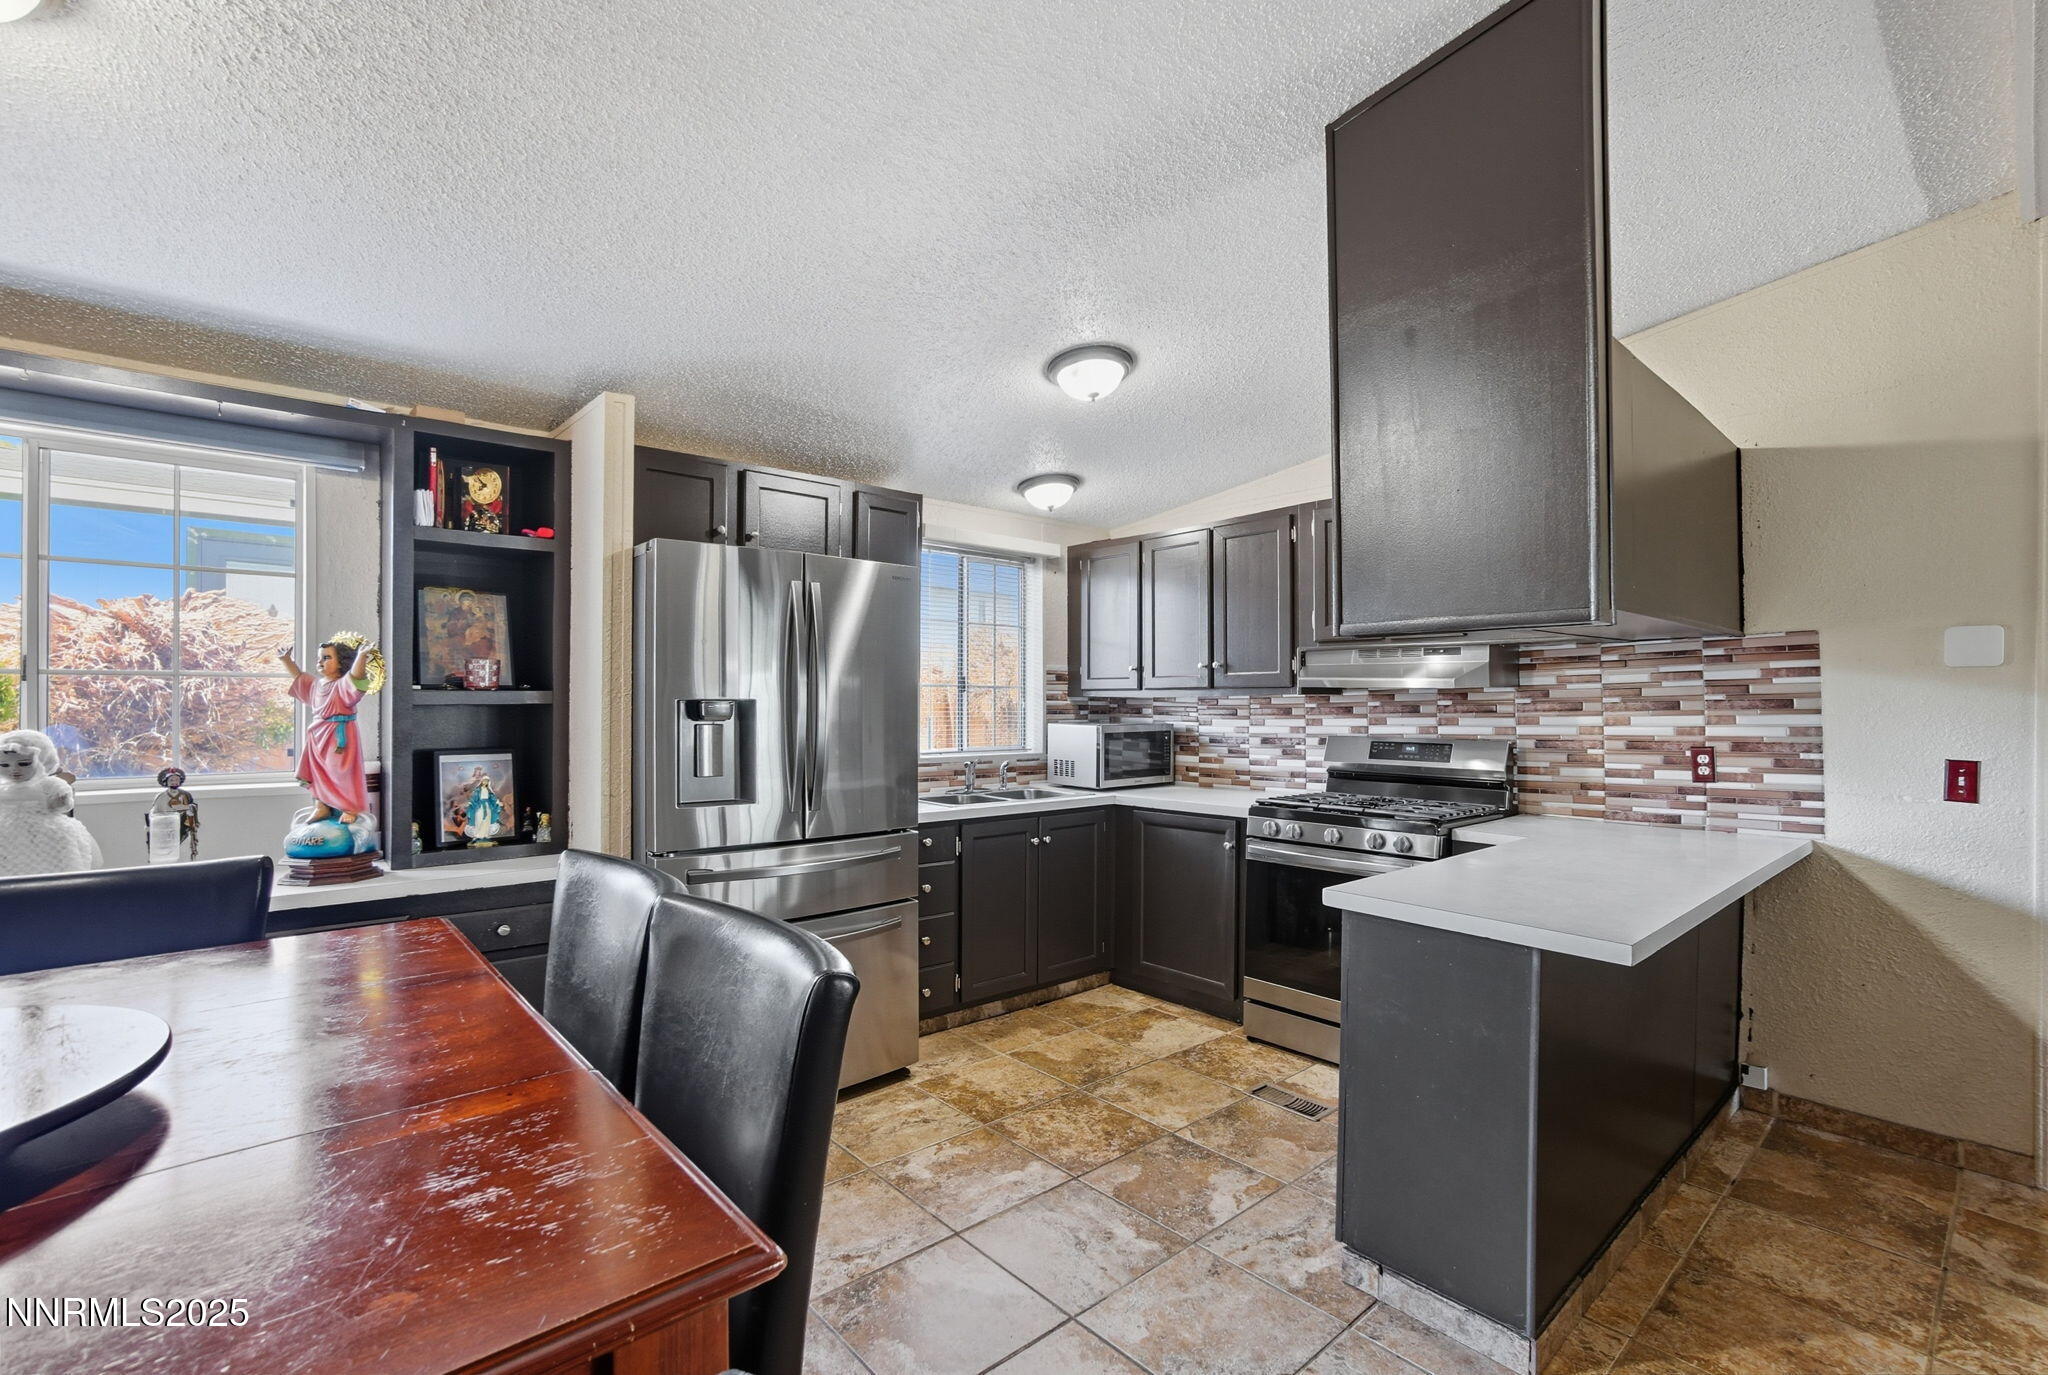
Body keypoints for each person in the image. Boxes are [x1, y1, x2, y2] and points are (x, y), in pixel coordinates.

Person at [279, 637, 377, 823]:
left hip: (339, 735)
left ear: (342, 662)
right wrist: (286, 660)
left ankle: (349, 808)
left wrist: (362, 656)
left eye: (326, 658)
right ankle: (321, 806)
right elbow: (299, 678)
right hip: (317, 735)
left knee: (340, 771)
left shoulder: (343, 684)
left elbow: (356, 677)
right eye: (320, 658)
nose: (320, 661)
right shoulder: (317, 684)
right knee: (317, 773)